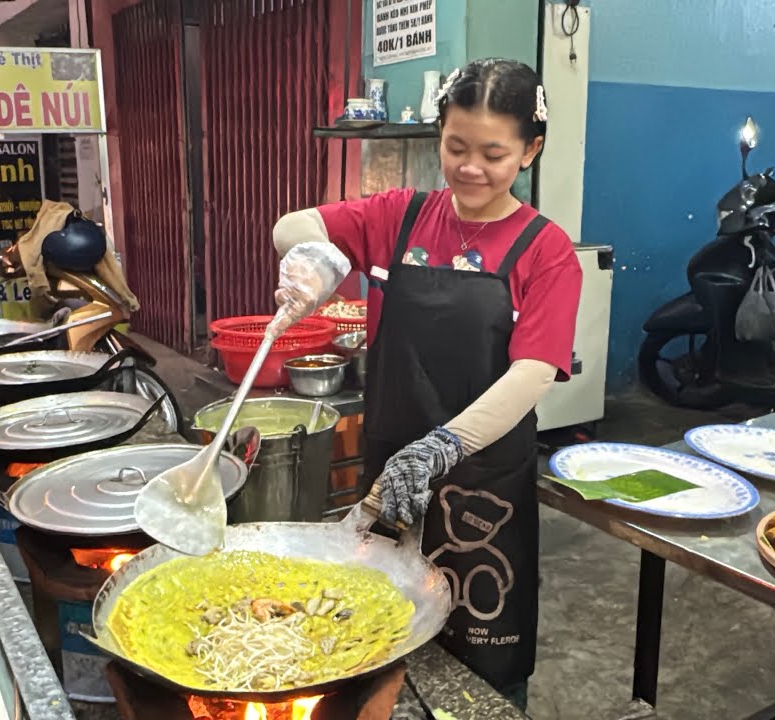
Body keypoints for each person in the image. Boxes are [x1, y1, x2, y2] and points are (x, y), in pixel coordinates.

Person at [270, 58, 582, 710]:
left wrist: (440, 447)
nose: (471, 167)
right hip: (389, 485)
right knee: (380, 648)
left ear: (531, 149)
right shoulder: (401, 217)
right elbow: (295, 224)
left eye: (494, 153)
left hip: (483, 496)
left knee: (481, 673)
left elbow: (532, 373)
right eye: (456, 147)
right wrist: (311, 259)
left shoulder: (543, 249)